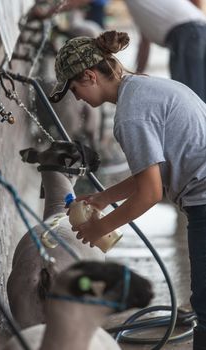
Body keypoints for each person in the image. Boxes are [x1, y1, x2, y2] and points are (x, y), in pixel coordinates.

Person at [49, 30, 206, 349]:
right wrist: (101, 198)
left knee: (205, 307)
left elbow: (150, 193)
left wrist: (99, 229)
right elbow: (154, 172)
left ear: (90, 76)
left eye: (74, 88)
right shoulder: (145, 87)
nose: (76, 98)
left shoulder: (130, 115)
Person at [124, 0, 206, 103]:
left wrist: (135, 77)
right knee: (197, 94)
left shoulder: (137, 5)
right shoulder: (145, 9)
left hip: (187, 32)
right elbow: (144, 45)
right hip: (198, 28)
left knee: (189, 96)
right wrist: (136, 75)